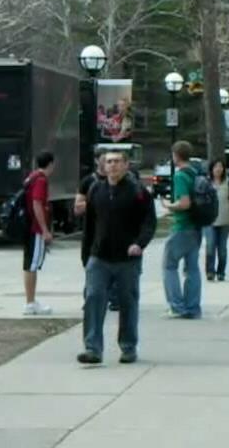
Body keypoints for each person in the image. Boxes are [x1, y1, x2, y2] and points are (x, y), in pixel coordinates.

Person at [77, 150, 157, 364]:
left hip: (127, 259)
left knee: (127, 302)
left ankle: (128, 347)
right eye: (109, 162)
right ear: (103, 166)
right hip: (99, 257)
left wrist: (139, 244)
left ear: (126, 165)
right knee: (93, 298)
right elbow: (89, 225)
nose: (112, 165)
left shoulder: (138, 191)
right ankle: (93, 349)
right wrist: (86, 256)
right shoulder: (96, 190)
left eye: (117, 161)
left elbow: (149, 222)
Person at [161, 141, 203, 319]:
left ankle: (177, 306)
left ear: (175, 155)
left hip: (182, 226)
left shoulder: (179, 176)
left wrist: (168, 205)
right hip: (196, 226)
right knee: (192, 268)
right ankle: (193, 306)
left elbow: (184, 203)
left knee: (169, 266)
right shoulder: (195, 173)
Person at [75, 148, 119, 311]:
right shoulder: (88, 182)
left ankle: (114, 298)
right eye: (105, 159)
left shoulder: (117, 180)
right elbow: (77, 208)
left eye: (111, 160)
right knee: (92, 266)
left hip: (113, 231)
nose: (109, 163)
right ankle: (91, 298)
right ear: (97, 161)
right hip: (93, 230)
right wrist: (97, 201)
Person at [22, 151, 55, 315]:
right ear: (51, 164)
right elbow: (37, 204)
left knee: (29, 264)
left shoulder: (32, 177)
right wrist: (44, 230)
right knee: (32, 265)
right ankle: (30, 303)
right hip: (35, 228)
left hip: (28, 226)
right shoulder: (41, 180)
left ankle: (31, 301)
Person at [204, 159, 229, 282]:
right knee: (210, 246)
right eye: (216, 166)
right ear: (211, 169)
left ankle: (221, 272)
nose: (218, 169)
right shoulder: (206, 182)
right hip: (209, 221)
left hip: (224, 220)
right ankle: (210, 271)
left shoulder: (228, 182)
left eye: (220, 166)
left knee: (222, 250)